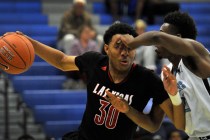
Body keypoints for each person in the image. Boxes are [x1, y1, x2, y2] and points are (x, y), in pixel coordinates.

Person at [8, 22, 184, 140]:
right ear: (106, 48)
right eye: (118, 46)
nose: (125, 52)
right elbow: (61, 61)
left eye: (130, 48)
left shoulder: (148, 79)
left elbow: (154, 126)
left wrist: (127, 110)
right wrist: (29, 43)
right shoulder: (94, 62)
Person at [125, 11, 210, 139]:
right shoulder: (168, 73)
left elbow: (156, 37)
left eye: (163, 34)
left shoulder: (196, 54)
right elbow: (180, 125)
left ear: (177, 38)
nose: (155, 42)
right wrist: (174, 95)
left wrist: (127, 45)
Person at [63, 24, 100, 89]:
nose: (87, 34)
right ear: (81, 33)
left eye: (89, 32)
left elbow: (97, 56)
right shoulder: (75, 44)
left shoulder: (93, 44)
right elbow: (73, 57)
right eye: (85, 32)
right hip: (78, 67)